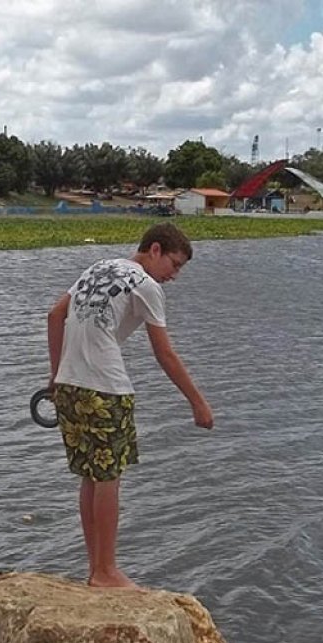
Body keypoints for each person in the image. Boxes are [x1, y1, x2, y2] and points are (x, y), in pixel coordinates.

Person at [46, 222, 213, 588]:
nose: (175, 275)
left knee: (91, 476)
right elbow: (164, 353)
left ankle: (96, 569)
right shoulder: (146, 285)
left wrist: (55, 374)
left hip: (69, 386)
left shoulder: (98, 267)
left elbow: (55, 314)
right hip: (106, 389)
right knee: (109, 478)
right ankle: (106, 571)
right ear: (154, 250)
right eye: (175, 264)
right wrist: (198, 403)